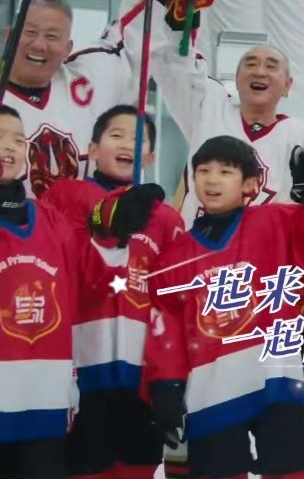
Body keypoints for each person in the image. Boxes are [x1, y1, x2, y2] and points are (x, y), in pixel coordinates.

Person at [143, 137, 304, 478]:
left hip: (276, 381)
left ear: (251, 185)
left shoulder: (276, 222)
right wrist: (166, 385)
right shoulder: (174, 259)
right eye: (204, 171)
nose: (212, 179)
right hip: (213, 393)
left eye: (225, 172)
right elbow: (166, 330)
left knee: (292, 473)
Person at [118, 0, 304, 221]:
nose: (259, 71)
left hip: (265, 250)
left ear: (288, 85)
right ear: (236, 79)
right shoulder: (209, 106)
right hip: (197, 246)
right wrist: (182, 17)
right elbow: (174, 63)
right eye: (250, 63)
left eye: (271, 65)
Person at [0, 105, 157, 478]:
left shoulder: (50, 220)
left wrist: (109, 231)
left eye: (18, 139)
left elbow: (92, 281)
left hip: (44, 403)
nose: (8, 146)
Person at [41, 106, 183, 479]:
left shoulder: (166, 218)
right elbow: (58, 268)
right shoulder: (66, 196)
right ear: (91, 149)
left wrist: (169, 379)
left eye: (139, 140)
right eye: (116, 135)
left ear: (151, 156)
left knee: (136, 467)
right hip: (80, 368)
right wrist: (105, 223)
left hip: (141, 375)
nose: (127, 144)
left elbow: (172, 301)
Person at [3, 0, 146, 197]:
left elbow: (134, 38)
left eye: (52, 36)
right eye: (30, 32)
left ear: (67, 48)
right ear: (9, 37)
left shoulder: (90, 83)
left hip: (85, 216)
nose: (39, 45)